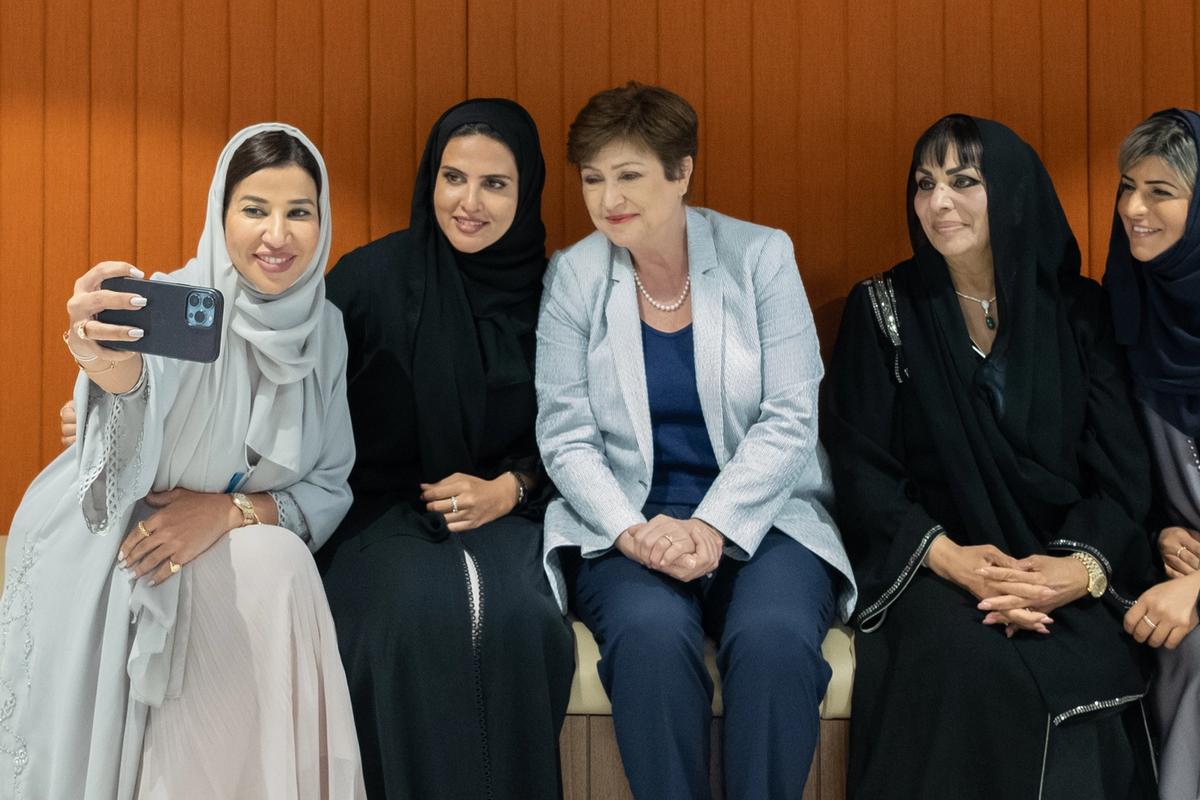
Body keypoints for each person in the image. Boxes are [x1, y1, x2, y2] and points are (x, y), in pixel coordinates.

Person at [0, 124, 364, 798]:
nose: (277, 235)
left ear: (323, 222)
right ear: (220, 215)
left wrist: (226, 512)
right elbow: (131, 418)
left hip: (223, 551)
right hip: (121, 543)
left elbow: (328, 483)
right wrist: (105, 366)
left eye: (299, 212)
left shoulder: (326, 331)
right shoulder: (175, 308)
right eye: (254, 209)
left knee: (278, 561)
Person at [535, 82, 855, 800]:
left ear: (682, 172)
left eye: (629, 175)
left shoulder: (760, 256)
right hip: (627, 523)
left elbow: (790, 416)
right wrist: (630, 530)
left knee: (774, 641)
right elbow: (565, 435)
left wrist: (712, 525)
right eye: (592, 178)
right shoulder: (574, 276)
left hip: (765, 517)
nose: (608, 199)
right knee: (650, 637)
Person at [826, 113, 1158, 799]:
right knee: (969, 663)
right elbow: (861, 470)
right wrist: (953, 560)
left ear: (1010, 191)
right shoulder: (884, 310)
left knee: (1089, 666)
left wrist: (1076, 571)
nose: (938, 202)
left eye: (963, 181)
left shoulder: (1079, 312)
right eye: (925, 184)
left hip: (1056, 560)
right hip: (937, 566)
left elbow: (1121, 470)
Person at [316, 98, 574, 799]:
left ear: (527, 192)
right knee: (408, 619)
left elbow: (586, 431)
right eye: (453, 177)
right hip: (376, 513)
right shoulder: (370, 280)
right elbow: (280, 386)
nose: (468, 203)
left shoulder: (558, 297)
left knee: (521, 622)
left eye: (495, 184)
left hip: (509, 514)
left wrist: (511, 488)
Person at [1105, 108, 1200, 800]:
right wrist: (1155, 531)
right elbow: (1106, 470)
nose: (1134, 209)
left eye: (1160, 192)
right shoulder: (1121, 313)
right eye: (1127, 187)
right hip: (1162, 571)